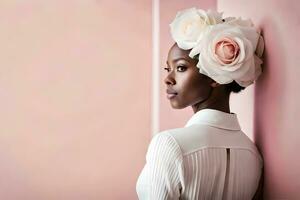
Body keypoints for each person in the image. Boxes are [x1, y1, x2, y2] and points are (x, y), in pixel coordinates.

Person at [136, 7, 264, 200]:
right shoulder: (253, 155)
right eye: (167, 69)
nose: (168, 79)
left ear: (215, 76)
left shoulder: (170, 145)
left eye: (180, 67)